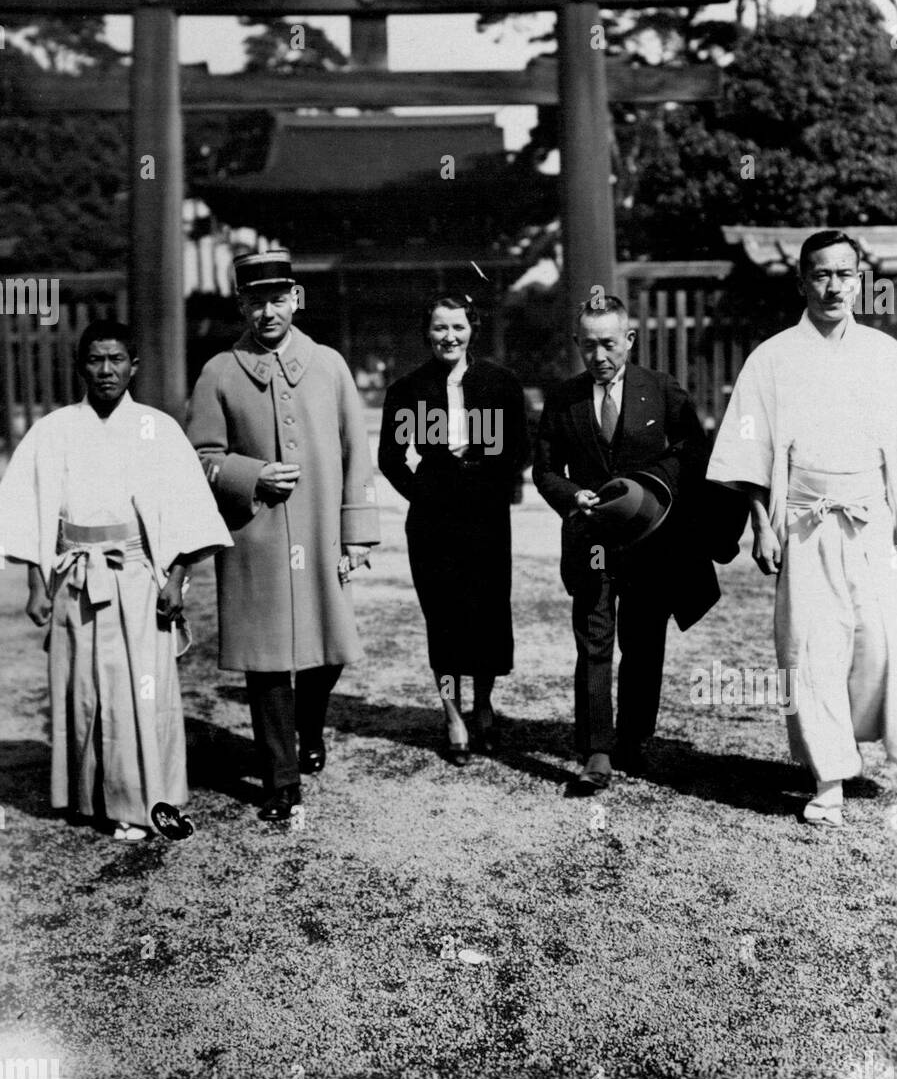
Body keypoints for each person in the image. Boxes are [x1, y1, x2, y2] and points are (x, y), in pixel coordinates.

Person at [0, 320, 232, 841]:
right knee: (82, 688)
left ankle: (145, 801)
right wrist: (38, 583)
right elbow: (25, 507)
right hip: (75, 575)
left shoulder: (157, 427)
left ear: (134, 366)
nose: (106, 370)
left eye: (117, 359)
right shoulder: (54, 429)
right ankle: (88, 797)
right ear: (80, 366)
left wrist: (176, 578)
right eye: (95, 360)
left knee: (140, 693)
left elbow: (186, 510)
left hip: (137, 576)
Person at [707, 230, 897, 827]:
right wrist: (762, 523)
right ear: (802, 282)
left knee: (881, 647)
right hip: (804, 522)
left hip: (873, 520)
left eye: (846, 273)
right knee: (810, 648)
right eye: (822, 274)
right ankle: (828, 777)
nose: (835, 285)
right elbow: (748, 446)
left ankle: (881, 757)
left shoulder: (885, 354)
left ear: (861, 280)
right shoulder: (773, 357)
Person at [187, 250, 379, 821]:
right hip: (256, 534)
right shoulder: (219, 371)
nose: (267, 311)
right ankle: (280, 778)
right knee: (267, 661)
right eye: (255, 300)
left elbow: (356, 453)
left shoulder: (329, 365)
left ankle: (309, 727)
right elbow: (200, 457)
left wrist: (358, 534)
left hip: (321, 531)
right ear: (240, 303)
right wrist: (252, 474)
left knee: (328, 649)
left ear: (295, 297)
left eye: (278, 298)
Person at [533, 295, 719, 791]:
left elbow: (692, 450)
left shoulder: (660, 390)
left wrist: (649, 486)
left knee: (643, 643)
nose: (599, 356)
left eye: (609, 344)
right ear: (577, 344)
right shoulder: (563, 398)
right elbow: (544, 469)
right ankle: (597, 749)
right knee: (594, 642)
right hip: (590, 538)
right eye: (588, 345)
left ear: (629, 341)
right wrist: (574, 496)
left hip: (648, 539)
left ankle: (635, 740)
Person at [378, 293, 529, 763]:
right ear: (428, 333)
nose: (449, 337)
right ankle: (452, 712)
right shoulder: (409, 389)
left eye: (458, 328)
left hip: (485, 516)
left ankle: (484, 706)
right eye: (441, 328)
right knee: (442, 619)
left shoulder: (500, 383)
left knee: (485, 613)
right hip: (432, 519)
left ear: (472, 330)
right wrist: (425, 493)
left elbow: (520, 449)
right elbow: (390, 458)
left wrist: (489, 473)